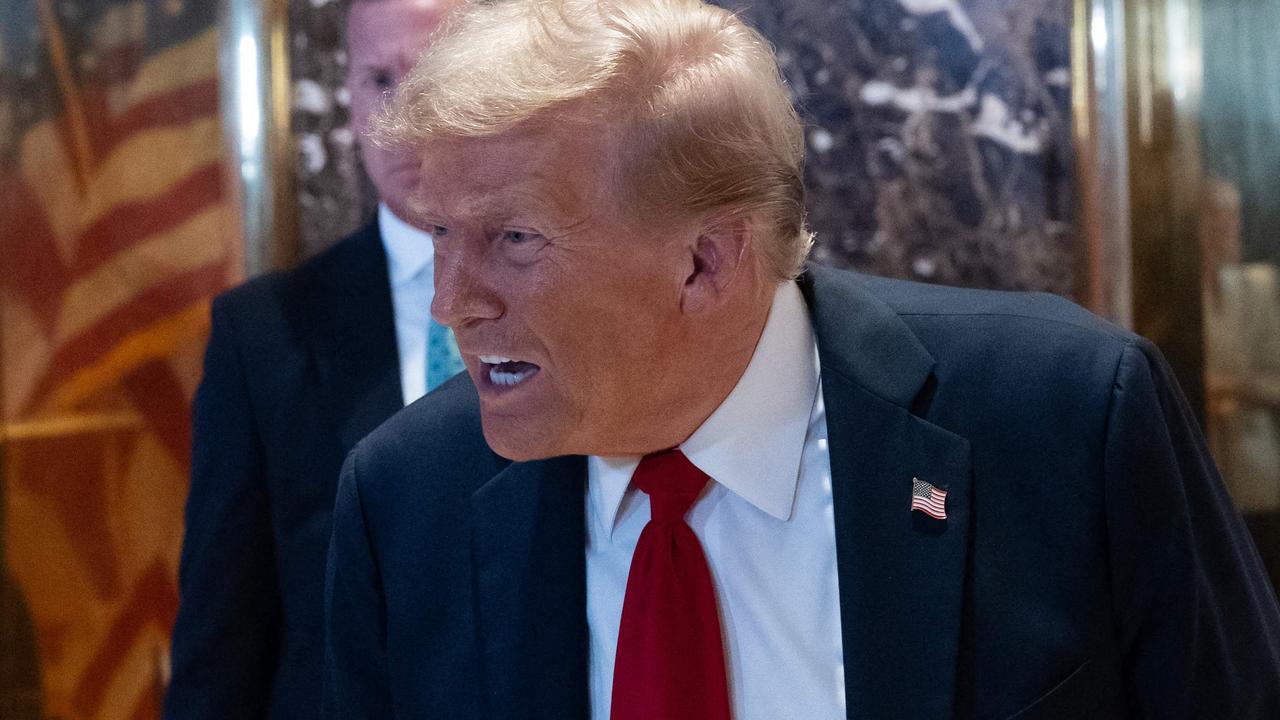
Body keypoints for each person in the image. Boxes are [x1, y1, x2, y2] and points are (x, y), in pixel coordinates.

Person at [323, 0, 1280, 717]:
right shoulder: (407, 499)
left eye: (515, 241)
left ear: (707, 259)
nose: (453, 301)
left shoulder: (1068, 415)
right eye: (441, 232)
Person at [164, 0, 466, 717]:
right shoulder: (265, 333)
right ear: (347, 96)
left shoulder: (579, 297)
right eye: (377, 81)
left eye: (430, 79)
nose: (400, 120)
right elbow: (221, 636)